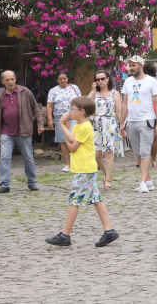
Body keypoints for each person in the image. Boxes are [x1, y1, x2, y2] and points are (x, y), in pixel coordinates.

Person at [45, 97, 119, 247]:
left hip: (85, 169)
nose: (70, 111)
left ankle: (65, 235)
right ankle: (109, 231)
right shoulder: (78, 126)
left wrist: (61, 125)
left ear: (81, 111)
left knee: (74, 201)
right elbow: (71, 141)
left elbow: (72, 147)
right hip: (84, 168)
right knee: (96, 199)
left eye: (72, 108)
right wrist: (66, 128)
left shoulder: (85, 127)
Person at [0, 70, 44, 193]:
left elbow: (36, 109)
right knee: (4, 157)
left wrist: (40, 124)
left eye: (12, 79)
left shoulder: (25, 92)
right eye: (7, 80)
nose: (10, 82)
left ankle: (32, 182)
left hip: (24, 130)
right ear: (2, 81)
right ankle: (4, 185)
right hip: (6, 132)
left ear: (15, 79)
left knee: (28, 158)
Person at [120, 56, 157, 193]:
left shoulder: (151, 81)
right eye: (130, 65)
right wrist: (121, 123)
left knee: (145, 152)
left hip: (147, 120)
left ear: (141, 65)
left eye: (134, 65)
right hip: (131, 121)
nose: (131, 68)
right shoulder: (127, 81)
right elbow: (124, 103)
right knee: (138, 153)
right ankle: (148, 181)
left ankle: (143, 182)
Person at [88, 69, 122, 190]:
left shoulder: (114, 93)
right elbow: (85, 104)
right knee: (97, 154)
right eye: (98, 79)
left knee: (108, 152)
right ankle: (108, 173)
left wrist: (122, 125)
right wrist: (92, 91)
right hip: (97, 124)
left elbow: (119, 111)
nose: (101, 81)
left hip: (110, 123)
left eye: (103, 78)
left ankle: (107, 179)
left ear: (108, 79)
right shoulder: (95, 94)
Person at [47, 72, 82, 172]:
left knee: (74, 138)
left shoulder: (74, 88)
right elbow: (49, 105)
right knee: (63, 140)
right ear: (57, 80)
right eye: (60, 79)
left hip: (74, 117)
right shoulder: (53, 90)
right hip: (59, 118)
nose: (62, 80)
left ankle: (77, 162)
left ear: (67, 79)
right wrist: (50, 119)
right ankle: (68, 164)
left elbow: (80, 102)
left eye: (64, 78)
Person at [141, 62, 157, 168]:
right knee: (153, 138)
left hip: (144, 112)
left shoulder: (141, 83)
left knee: (144, 137)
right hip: (154, 113)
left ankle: (141, 160)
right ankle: (153, 161)